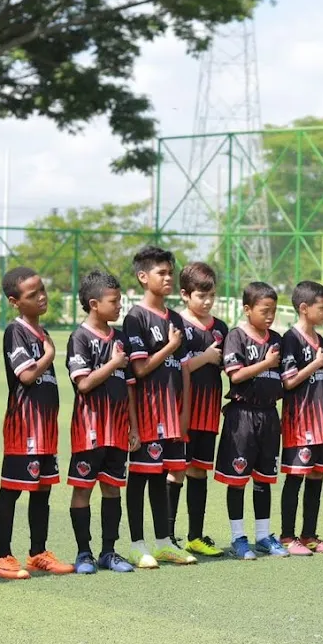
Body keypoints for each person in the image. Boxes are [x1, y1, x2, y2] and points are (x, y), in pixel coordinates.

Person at [0, 266, 69, 580]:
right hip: (25, 425)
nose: (42, 297)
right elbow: (26, 375)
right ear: (14, 301)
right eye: (32, 294)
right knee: (12, 489)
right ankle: (1, 556)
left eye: (42, 290)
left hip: (46, 427)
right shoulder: (16, 330)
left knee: (43, 490)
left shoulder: (43, 331)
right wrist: (49, 355)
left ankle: (38, 552)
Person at [121, 245, 196, 566]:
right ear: (142, 277)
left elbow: (185, 370)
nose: (167, 278)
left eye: (170, 272)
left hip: (171, 415)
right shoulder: (135, 318)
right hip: (147, 415)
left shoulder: (176, 318)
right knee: (141, 477)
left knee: (168, 474)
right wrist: (170, 346)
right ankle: (137, 544)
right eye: (160, 273)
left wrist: (183, 414)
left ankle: (165, 541)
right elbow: (138, 370)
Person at [66, 270, 139, 573]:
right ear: (94, 304)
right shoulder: (79, 338)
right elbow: (83, 384)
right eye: (114, 301)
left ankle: (109, 552)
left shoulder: (120, 337)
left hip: (118, 429)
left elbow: (130, 385)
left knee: (112, 489)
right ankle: (84, 553)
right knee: (83, 488)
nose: (119, 306)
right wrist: (112, 363)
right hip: (89, 429)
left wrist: (134, 426)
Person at [215, 281, 286, 559]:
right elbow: (236, 376)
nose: (269, 316)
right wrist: (266, 364)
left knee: (264, 478)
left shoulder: (277, 339)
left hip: (269, 415)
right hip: (242, 415)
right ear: (247, 309)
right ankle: (238, 538)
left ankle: (264, 535)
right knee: (237, 478)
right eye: (264, 310)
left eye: (273, 311)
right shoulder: (236, 336)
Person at [279, 280, 323, 554]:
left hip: (320, 422)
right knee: (296, 478)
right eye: (322, 307)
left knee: (316, 477)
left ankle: (310, 535)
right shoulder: (290, 339)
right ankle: (287, 536)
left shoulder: (320, 338)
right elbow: (289, 382)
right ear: (304, 308)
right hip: (299, 421)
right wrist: (316, 363)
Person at [175, 262, 228, 557]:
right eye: (200, 296)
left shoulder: (220, 327)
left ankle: (195, 536)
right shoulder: (177, 325)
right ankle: (167, 537)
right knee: (177, 470)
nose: (207, 302)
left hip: (209, 411)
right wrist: (206, 357)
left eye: (211, 296)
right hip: (183, 411)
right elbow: (176, 366)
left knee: (198, 471)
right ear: (185, 294)